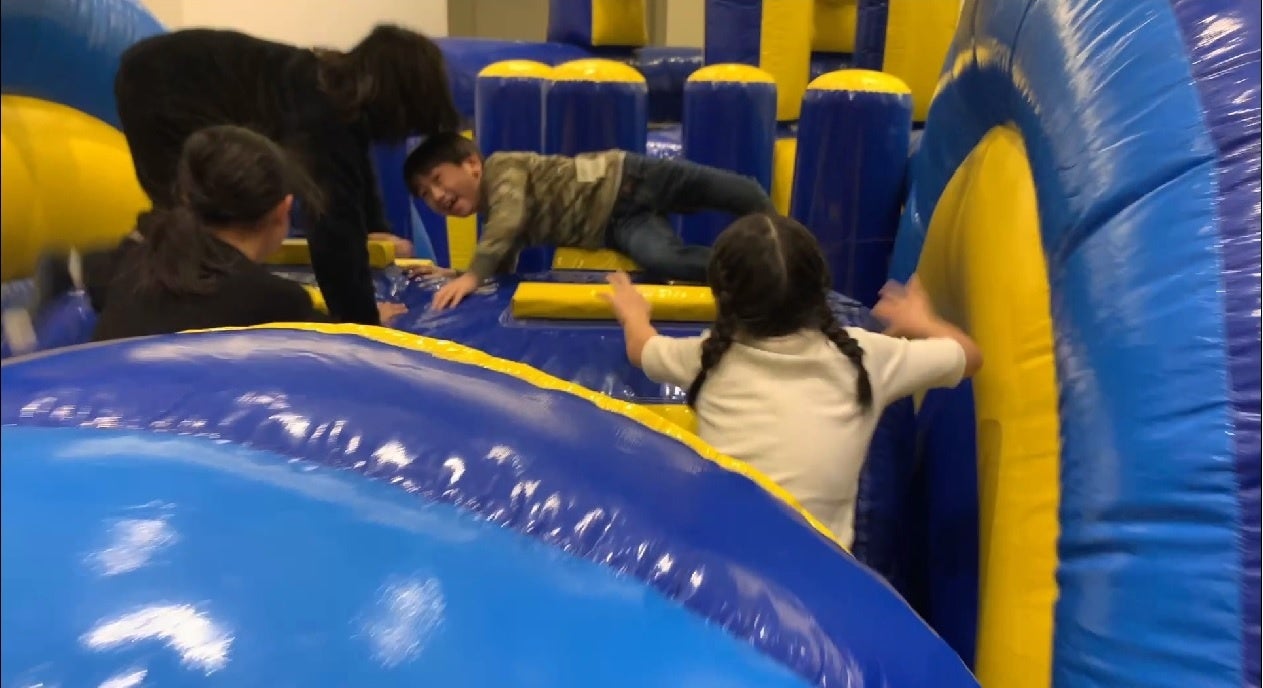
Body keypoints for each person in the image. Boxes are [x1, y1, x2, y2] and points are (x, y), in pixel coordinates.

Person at [601, 213, 983, 548]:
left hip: (726, 572)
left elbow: (641, 349)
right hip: (818, 584)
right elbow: (969, 356)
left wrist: (634, 313)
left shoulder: (708, 358)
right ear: (820, 290)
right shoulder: (867, 357)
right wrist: (921, 322)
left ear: (722, 297)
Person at [101, 24, 458, 325]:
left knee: (192, 206)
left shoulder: (330, 90)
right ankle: (138, 290)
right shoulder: (322, 112)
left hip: (160, 72)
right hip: (161, 84)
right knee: (188, 211)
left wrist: (374, 228)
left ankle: (126, 279)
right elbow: (333, 223)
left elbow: (355, 172)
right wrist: (361, 321)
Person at [91, 125, 406, 342]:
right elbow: (339, 352)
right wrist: (368, 326)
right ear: (283, 210)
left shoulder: (131, 263)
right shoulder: (275, 301)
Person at [402, 132, 776, 310]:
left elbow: (509, 220)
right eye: (425, 194)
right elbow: (502, 259)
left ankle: (777, 230)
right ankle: (752, 272)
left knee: (719, 190)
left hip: (628, 178)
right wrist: (460, 275)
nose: (437, 196)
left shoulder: (502, 168)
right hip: (615, 226)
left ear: (472, 164)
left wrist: (471, 275)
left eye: (438, 180)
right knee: (665, 259)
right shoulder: (494, 214)